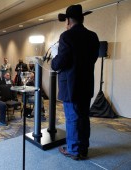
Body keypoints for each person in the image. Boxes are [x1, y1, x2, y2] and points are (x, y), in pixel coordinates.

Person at [51, 4, 99, 160]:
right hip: (86, 85)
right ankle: (83, 148)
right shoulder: (93, 36)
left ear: (68, 21)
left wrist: (53, 61)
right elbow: (92, 59)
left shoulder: (67, 36)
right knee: (84, 117)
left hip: (71, 86)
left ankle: (73, 150)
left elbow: (60, 62)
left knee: (72, 118)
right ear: (82, 18)